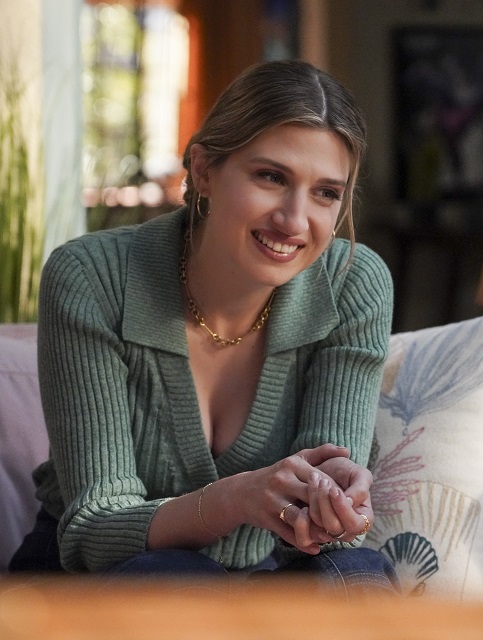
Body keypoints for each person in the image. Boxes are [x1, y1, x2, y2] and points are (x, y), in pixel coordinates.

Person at [10, 59, 398, 595]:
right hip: (104, 580)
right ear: (204, 170)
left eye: (326, 193)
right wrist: (237, 498)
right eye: (271, 177)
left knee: (358, 581)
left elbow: (325, 534)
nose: (293, 219)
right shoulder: (92, 278)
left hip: (263, 580)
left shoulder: (353, 283)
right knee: (177, 582)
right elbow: (93, 531)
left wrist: (331, 508)